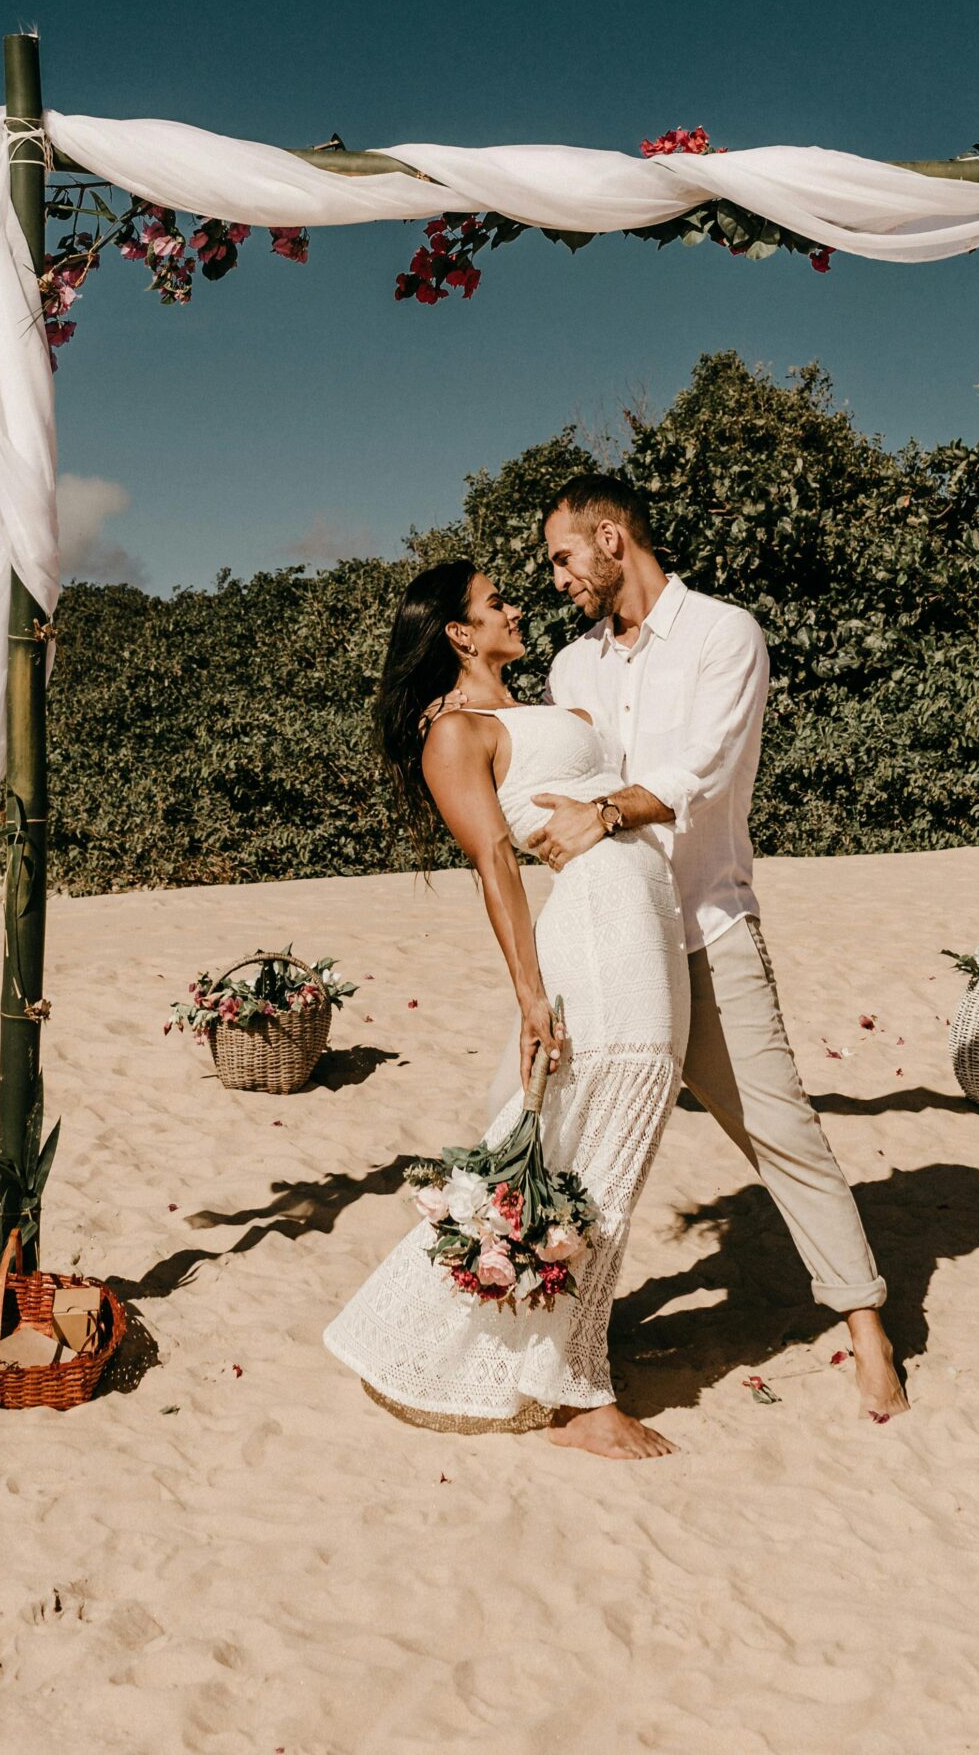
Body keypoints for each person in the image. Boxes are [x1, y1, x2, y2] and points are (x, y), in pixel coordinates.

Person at [531, 476, 907, 1420]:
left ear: (612, 538)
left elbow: (700, 770)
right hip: (611, 943)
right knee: (589, 1146)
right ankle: (572, 1334)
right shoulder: (572, 669)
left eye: (564, 558)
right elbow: (557, 784)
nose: (559, 580)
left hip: (706, 925)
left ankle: (866, 1326)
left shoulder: (723, 634)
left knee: (780, 1128)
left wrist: (602, 814)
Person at [322, 561, 690, 1459]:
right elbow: (495, 862)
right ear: (458, 632)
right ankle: (576, 1395)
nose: (515, 608)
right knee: (600, 1131)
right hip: (597, 933)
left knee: (614, 1138)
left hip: (648, 916)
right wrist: (529, 994)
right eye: (495, 604)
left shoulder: (551, 702)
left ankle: (560, 1349)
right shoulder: (456, 731)